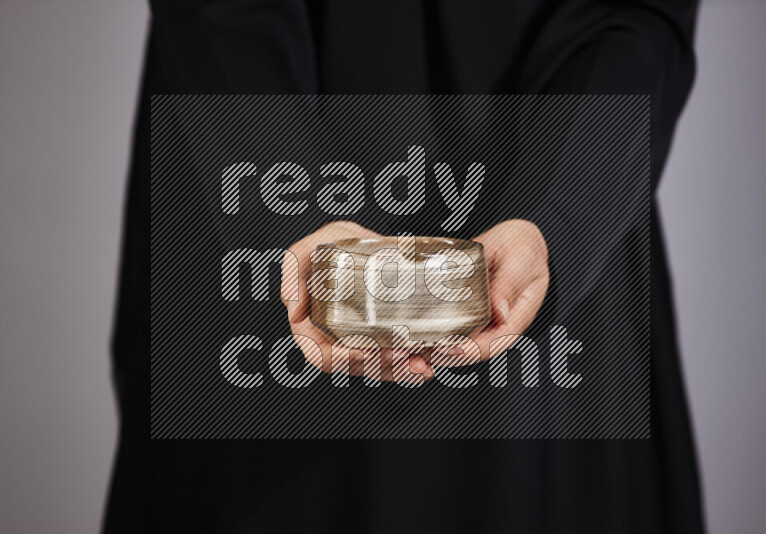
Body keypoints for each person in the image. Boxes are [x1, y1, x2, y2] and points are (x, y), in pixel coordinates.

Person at [105, 1, 704, 531]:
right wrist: (286, 209)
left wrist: (557, 216)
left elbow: (637, 16)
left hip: (556, 256)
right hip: (250, 206)